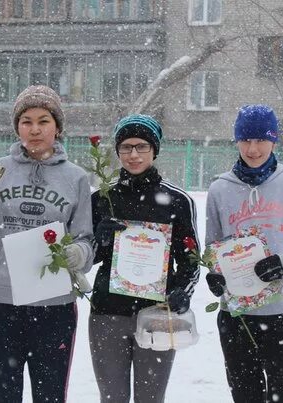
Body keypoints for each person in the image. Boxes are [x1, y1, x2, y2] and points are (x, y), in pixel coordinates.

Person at [0, 85, 94, 402]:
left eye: (43, 121)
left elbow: (85, 240)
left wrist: (76, 253)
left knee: (49, 395)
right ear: (17, 127)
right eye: (26, 121)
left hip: (52, 304)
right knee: (3, 395)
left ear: (57, 127)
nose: (35, 129)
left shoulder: (76, 178)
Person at [205, 105, 283, 402]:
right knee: (246, 397)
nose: (253, 148)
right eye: (245, 140)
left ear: (274, 141)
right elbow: (212, 249)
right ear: (236, 141)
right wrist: (215, 275)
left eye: (261, 140)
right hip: (238, 317)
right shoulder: (220, 190)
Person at [89, 114, 201, 403]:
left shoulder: (177, 200)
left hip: (157, 313)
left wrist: (182, 292)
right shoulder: (103, 197)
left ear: (154, 150)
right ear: (117, 151)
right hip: (107, 312)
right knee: (112, 397)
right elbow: (89, 258)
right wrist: (99, 239)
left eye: (141, 146)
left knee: (151, 398)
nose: (133, 154)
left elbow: (190, 257)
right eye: (126, 147)